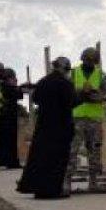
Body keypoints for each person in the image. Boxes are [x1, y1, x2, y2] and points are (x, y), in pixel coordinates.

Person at [17, 57, 77, 199]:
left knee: (40, 157)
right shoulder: (65, 83)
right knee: (57, 159)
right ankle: (53, 190)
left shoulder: (43, 81)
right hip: (60, 126)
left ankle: (38, 188)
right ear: (64, 68)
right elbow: (72, 102)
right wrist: (84, 96)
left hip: (43, 125)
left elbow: (36, 98)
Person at [65, 47, 106, 192]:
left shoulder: (101, 75)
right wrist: (81, 93)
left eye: (92, 61)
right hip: (76, 118)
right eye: (88, 60)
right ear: (83, 59)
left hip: (94, 119)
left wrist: (98, 96)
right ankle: (66, 181)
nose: (90, 63)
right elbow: (65, 92)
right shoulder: (73, 74)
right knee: (72, 150)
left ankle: (93, 181)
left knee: (95, 151)